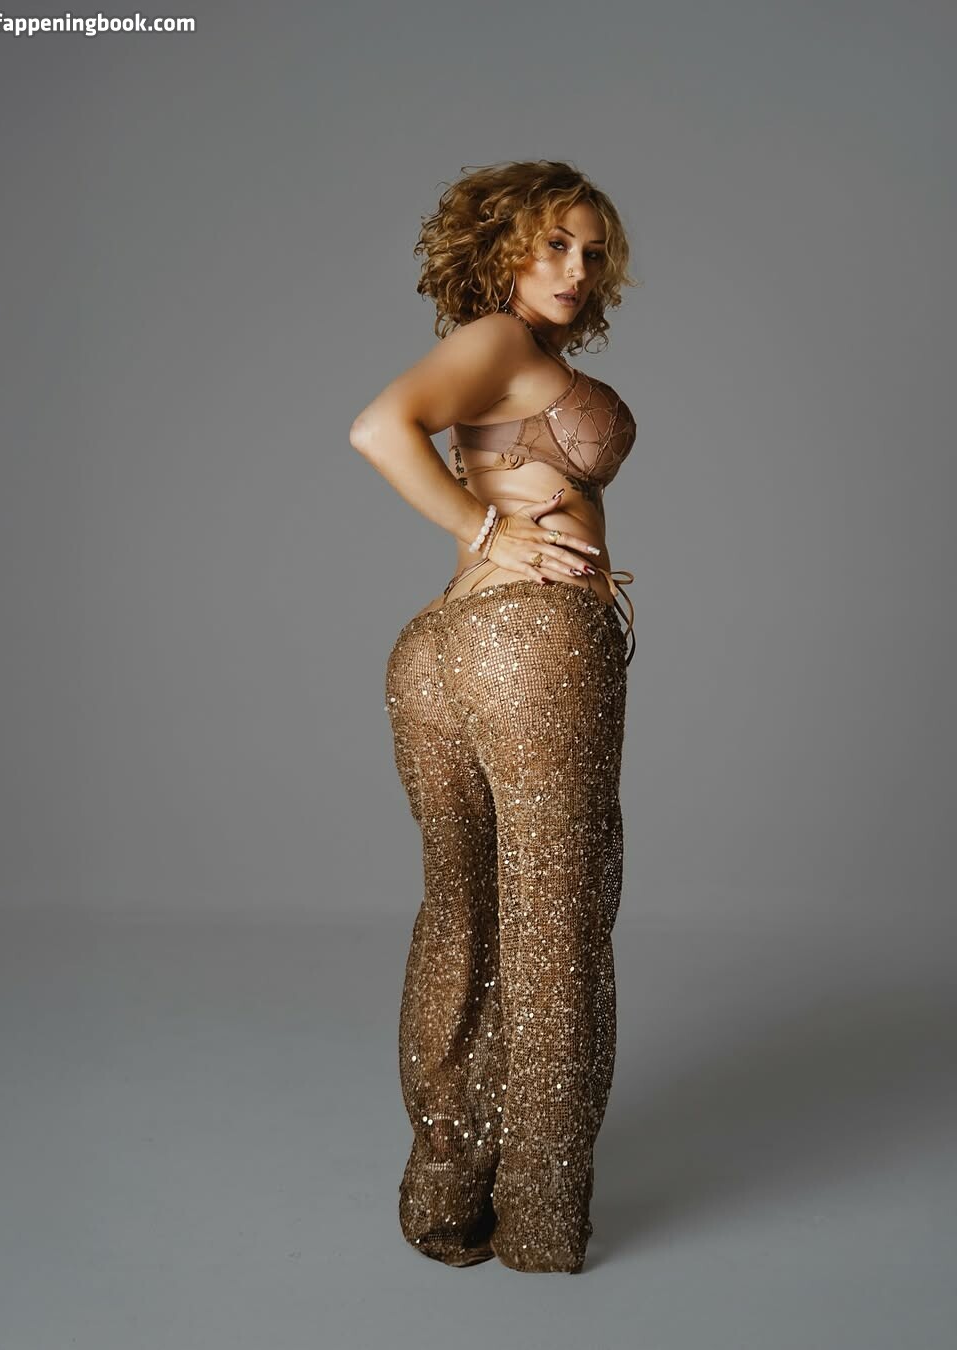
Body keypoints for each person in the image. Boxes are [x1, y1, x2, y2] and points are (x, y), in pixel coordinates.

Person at [349, 160, 639, 1273]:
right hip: (530, 649)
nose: (576, 267)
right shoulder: (499, 342)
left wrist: (487, 535)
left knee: (462, 915)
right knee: (553, 925)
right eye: (553, 243)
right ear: (502, 247)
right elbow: (381, 428)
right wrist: (487, 530)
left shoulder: (515, 357)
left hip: (440, 654)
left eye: (591, 251)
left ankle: (443, 1203)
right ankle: (538, 1226)